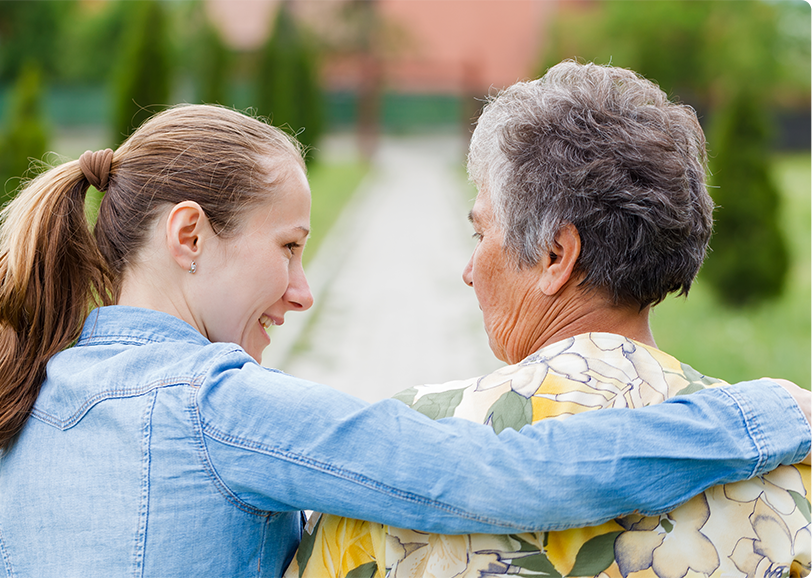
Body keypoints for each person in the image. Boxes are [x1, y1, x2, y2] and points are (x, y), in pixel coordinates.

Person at [0, 104, 809, 578]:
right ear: (189, 235)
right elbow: (498, 478)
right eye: (289, 246)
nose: (302, 289)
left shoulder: (22, 397)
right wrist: (759, 417)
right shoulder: (218, 406)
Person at [286, 61, 812, 578]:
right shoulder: (788, 471)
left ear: (556, 255)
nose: (469, 272)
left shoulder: (406, 451)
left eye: (480, 234)